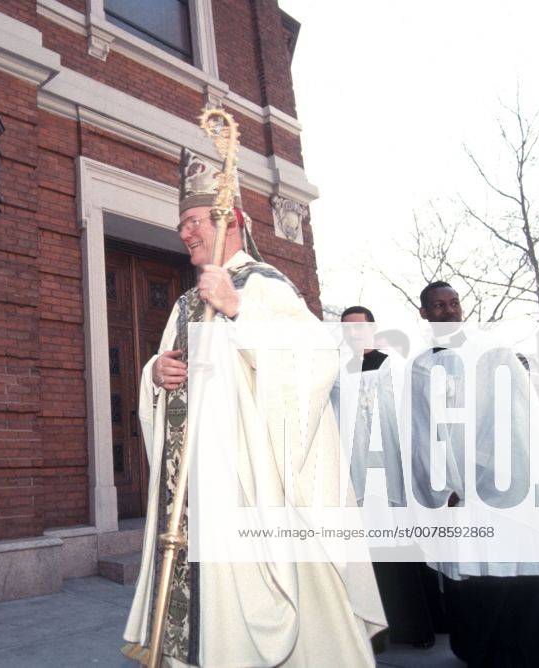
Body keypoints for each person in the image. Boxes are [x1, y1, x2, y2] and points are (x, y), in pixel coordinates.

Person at [122, 149, 385, 667]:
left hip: (246, 485)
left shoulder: (262, 285)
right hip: (193, 484)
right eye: (181, 225)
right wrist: (155, 372)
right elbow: (179, 374)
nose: (185, 234)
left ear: (232, 221)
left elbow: (314, 359)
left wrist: (239, 308)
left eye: (194, 221)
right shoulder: (184, 303)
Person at [411, 280, 539, 667]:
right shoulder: (422, 366)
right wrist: (442, 486)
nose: (449, 310)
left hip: (501, 484)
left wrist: (488, 472)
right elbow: (423, 432)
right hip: (458, 498)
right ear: (425, 313)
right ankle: (481, 653)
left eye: (454, 302)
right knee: (473, 582)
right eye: (439, 305)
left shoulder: (492, 353)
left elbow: (514, 419)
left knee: (516, 576)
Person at [337, 306, 436, 650]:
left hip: (394, 474)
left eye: (359, 328)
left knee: (403, 551)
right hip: (357, 477)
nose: (353, 334)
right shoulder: (337, 373)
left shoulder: (395, 366)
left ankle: (416, 629)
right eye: (346, 328)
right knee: (370, 557)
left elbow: (413, 417)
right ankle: (378, 633)